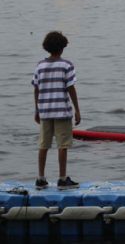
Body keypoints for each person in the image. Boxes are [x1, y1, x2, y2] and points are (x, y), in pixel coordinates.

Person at [32, 31, 81, 190]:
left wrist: (37, 110)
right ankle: (62, 178)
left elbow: (36, 89)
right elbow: (71, 88)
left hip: (45, 111)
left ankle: (40, 178)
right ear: (62, 48)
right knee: (63, 145)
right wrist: (77, 110)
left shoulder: (40, 65)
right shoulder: (66, 65)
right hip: (61, 111)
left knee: (43, 144)